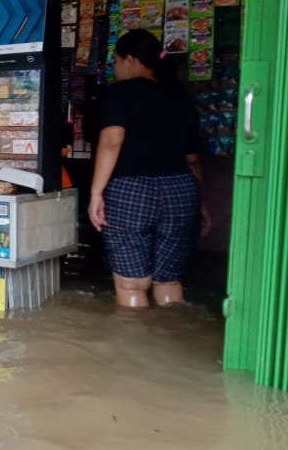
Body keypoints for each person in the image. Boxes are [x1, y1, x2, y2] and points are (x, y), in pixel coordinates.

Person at [88, 29, 211, 308]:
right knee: (169, 280)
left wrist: (96, 194)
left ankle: (134, 347)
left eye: (116, 62)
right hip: (180, 191)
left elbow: (111, 142)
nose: (116, 68)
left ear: (129, 60)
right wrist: (200, 204)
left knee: (132, 284)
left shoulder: (120, 93)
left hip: (132, 192)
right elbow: (193, 160)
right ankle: (169, 337)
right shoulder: (180, 98)